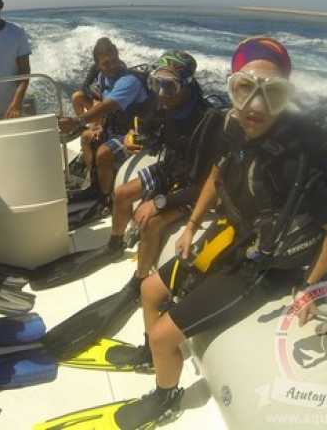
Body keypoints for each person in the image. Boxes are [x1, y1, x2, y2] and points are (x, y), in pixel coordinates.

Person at [115, 37, 327, 428]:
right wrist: (191, 225)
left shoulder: (304, 154)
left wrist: (310, 288)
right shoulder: (233, 126)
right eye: (245, 88)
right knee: (149, 290)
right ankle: (151, 358)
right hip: (232, 240)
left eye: (272, 93)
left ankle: (166, 398)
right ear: (233, 87)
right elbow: (217, 174)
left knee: (163, 335)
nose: (256, 106)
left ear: (285, 94)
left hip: (264, 269)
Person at [107, 51, 226, 283]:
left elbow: (206, 185)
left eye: (169, 86)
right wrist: (131, 137)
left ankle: (139, 280)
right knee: (122, 194)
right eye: (156, 84)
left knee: (151, 223)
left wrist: (159, 202)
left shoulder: (209, 121)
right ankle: (114, 244)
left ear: (187, 85)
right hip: (171, 170)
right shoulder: (163, 104)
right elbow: (146, 129)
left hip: (195, 188)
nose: (161, 93)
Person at [58, 38, 150, 200]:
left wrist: (77, 121)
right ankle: (95, 181)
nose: (112, 66)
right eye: (106, 63)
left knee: (103, 153)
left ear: (118, 55)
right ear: (98, 65)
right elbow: (100, 99)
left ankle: (104, 197)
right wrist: (99, 125)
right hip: (115, 127)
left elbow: (109, 105)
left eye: (114, 60)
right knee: (86, 137)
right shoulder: (102, 77)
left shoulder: (129, 81)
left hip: (137, 132)